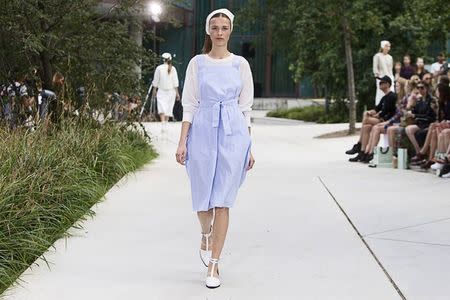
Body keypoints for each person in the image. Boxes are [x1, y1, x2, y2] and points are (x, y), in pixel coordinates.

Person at [175, 8, 255, 289]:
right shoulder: (197, 63)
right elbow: (189, 104)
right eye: (215, 27)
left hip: (233, 132)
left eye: (224, 27)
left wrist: (249, 146)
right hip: (203, 131)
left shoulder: (241, 64)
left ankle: (214, 264)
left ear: (230, 30)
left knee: (223, 200)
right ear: (208, 31)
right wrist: (183, 140)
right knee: (202, 197)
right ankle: (205, 231)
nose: (220, 32)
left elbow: (246, 108)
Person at [348, 75, 396, 162]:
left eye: (382, 83)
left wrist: (372, 116)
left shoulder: (392, 96)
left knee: (366, 119)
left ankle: (359, 144)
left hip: (386, 121)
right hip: (381, 119)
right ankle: (362, 152)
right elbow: (377, 109)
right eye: (379, 83)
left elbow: (383, 113)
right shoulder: (384, 97)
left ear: (388, 84)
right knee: (366, 126)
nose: (380, 84)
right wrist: (369, 112)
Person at [152, 52, 180, 132]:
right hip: (171, 91)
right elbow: (175, 82)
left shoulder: (159, 68)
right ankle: (166, 123)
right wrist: (177, 93)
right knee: (168, 107)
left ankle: (163, 122)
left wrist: (154, 90)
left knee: (161, 106)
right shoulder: (173, 68)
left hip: (161, 90)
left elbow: (156, 80)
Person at [373, 40, 394, 105]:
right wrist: (378, 77)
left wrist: (391, 78)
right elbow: (375, 68)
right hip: (381, 78)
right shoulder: (377, 56)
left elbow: (390, 69)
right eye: (386, 46)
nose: (388, 48)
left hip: (389, 78)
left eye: (389, 46)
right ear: (382, 47)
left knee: (390, 94)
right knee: (380, 94)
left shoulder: (390, 57)